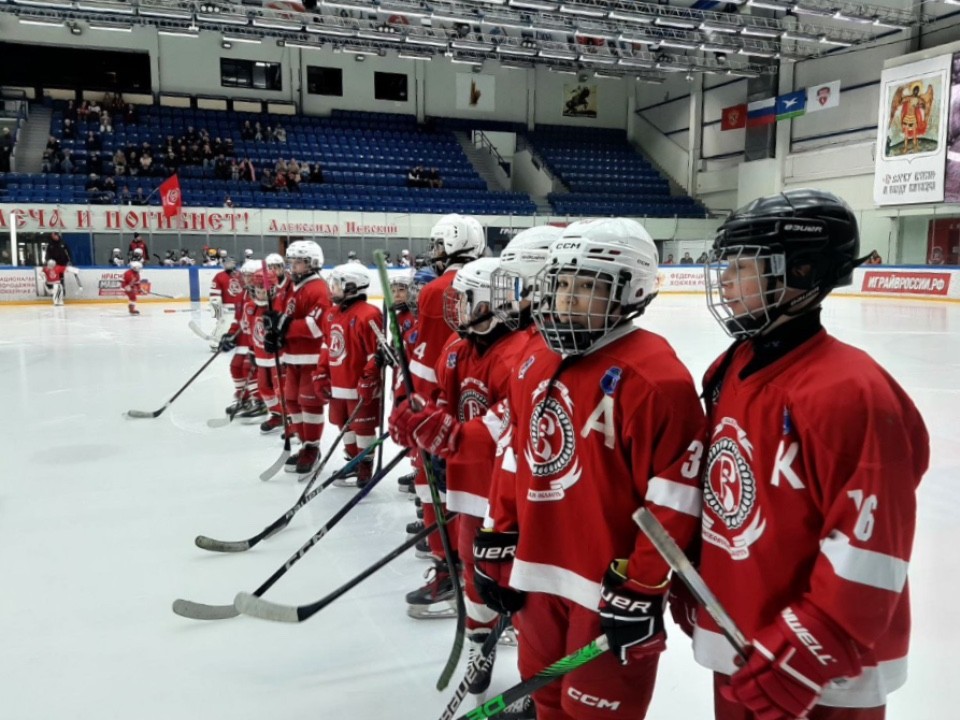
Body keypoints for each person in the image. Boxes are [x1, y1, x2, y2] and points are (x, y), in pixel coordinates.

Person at [675, 189, 929, 720]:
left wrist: (816, 642)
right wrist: (696, 570)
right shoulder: (731, 365)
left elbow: (874, 542)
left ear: (802, 272)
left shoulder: (850, 390)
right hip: (742, 629)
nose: (723, 279)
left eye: (742, 265)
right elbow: (727, 489)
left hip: (820, 667)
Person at [474, 218, 705, 720]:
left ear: (632, 291)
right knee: (547, 700)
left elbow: (674, 497)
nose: (566, 300)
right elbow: (517, 453)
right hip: (537, 572)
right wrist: (499, 533)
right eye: (559, 285)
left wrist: (643, 587)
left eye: (587, 286)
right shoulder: (533, 356)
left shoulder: (656, 377)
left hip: (606, 591)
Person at [389, 257, 531, 694]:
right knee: (474, 569)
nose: (456, 310)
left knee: (519, 580)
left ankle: (527, 654)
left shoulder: (522, 355)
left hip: (509, 494)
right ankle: (480, 645)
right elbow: (440, 405)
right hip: (468, 488)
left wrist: (448, 437)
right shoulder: (456, 348)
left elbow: (505, 426)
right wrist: (418, 425)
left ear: (494, 303)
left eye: (465, 300)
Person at [395, 213, 486, 619]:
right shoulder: (488, 282)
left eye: (437, 245)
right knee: (465, 496)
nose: (432, 254)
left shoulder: (437, 290)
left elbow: (424, 362)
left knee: (437, 491)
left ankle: (449, 570)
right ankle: (465, 570)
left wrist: (409, 403)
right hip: (476, 405)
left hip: (439, 405)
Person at [263, 241, 332, 476]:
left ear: (312, 263)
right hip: (292, 356)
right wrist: (275, 334)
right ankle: (304, 443)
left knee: (309, 403)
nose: (293, 266)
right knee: (291, 400)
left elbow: (316, 326)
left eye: (299, 262)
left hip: (312, 357)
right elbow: (282, 314)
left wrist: (285, 326)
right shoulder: (291, 285)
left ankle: (312, 446)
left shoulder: (319, 288)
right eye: (291, 261)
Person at [316, 264, 383, 488]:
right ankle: (353, 461)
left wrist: (369, 378)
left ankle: (365, 465)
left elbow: (377, 352)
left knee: (362, 426)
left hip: (359, 384)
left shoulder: (370, 314)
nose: (331, 289)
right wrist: (321, 373)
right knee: (343, 423)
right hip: (337, 383)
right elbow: (327, 347)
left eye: (336, 285)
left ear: (352, 287)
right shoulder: (330, 314)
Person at [208, 257, 244, 352]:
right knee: (224, 324)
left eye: (230, 263)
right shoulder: (219, 276)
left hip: (241, 307)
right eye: (226, 263)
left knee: (242, 325)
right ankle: (216, 341)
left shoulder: (241, 275)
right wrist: (217, 310)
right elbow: (214, 295)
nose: (228, 265)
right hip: (227, 307)